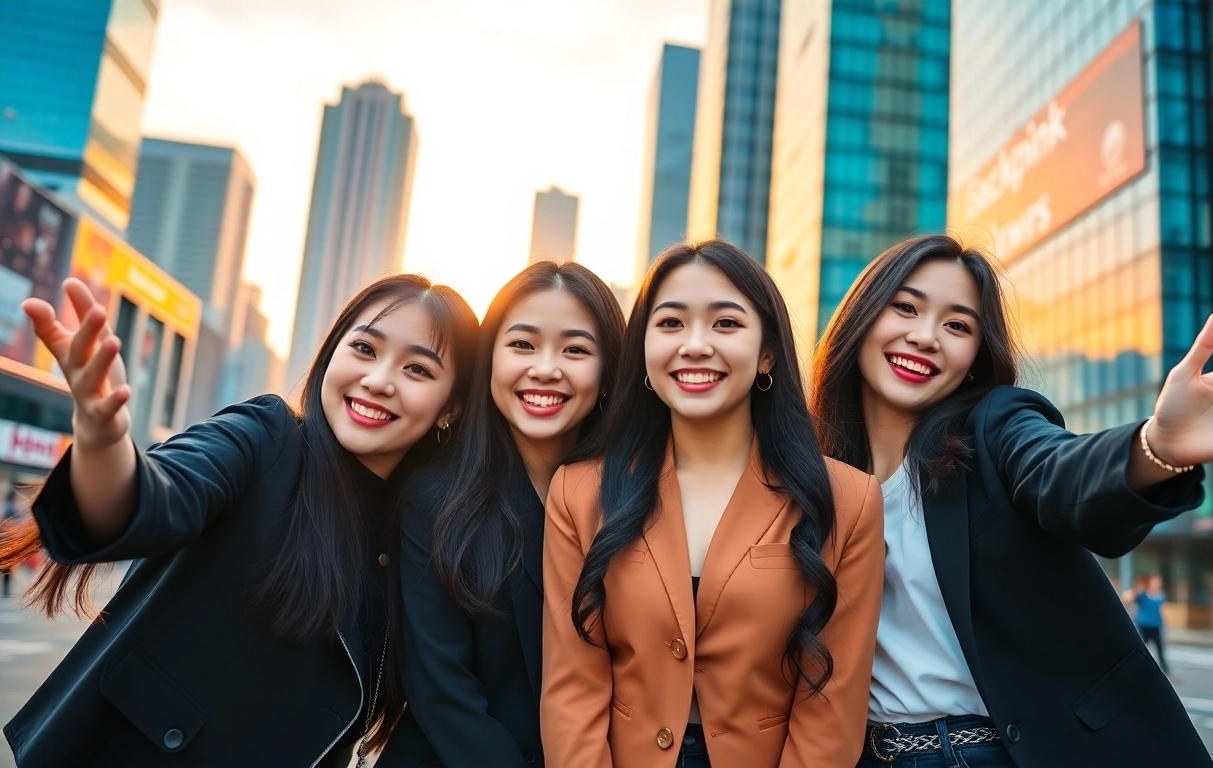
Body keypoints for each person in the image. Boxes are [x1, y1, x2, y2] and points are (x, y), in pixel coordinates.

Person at [809, 234, 1213, 768]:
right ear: (861, 316)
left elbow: (1062, 472)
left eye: (957, 325)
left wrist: (1154, 449)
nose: (925, 337)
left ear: (975, 356)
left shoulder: (996, 427)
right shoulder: (814, 480)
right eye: (905, 307)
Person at [0, 275, 478, 766]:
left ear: (451, 409)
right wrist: (102, 439)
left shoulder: (421, 537)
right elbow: (156, 496)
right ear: (332, 354)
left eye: (417, 369)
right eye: (363, 347)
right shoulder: (266, 438)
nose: (379, 380)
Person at [541, 240, 886, 768]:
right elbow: (572, 691)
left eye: (726, 324)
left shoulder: (848, 499)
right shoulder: (579, 493)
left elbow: (832, 708)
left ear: (767, 351)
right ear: (643, 350)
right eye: (671, 324)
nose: (696, 345)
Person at [381, 262, 624, 767]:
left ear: (607, 377)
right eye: (522, 344)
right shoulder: (435, 498)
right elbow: (441, 691)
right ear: (490, 359)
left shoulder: (631, 501)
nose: (545, 368)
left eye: (575, 349)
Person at [1124, 575, 1169, 673]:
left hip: (1155, 625)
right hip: (1143, 625)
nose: (1157, 584)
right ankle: (1137, 667)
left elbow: (1162, 610)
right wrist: (1137, 589)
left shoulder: (1160, 595)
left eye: (1158, 582)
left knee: (1160, 648)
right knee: (1142, 648)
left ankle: (1165, 669)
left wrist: (1165, 623)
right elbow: (1127, 599)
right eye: (1155, 582)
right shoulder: (1142, 595)